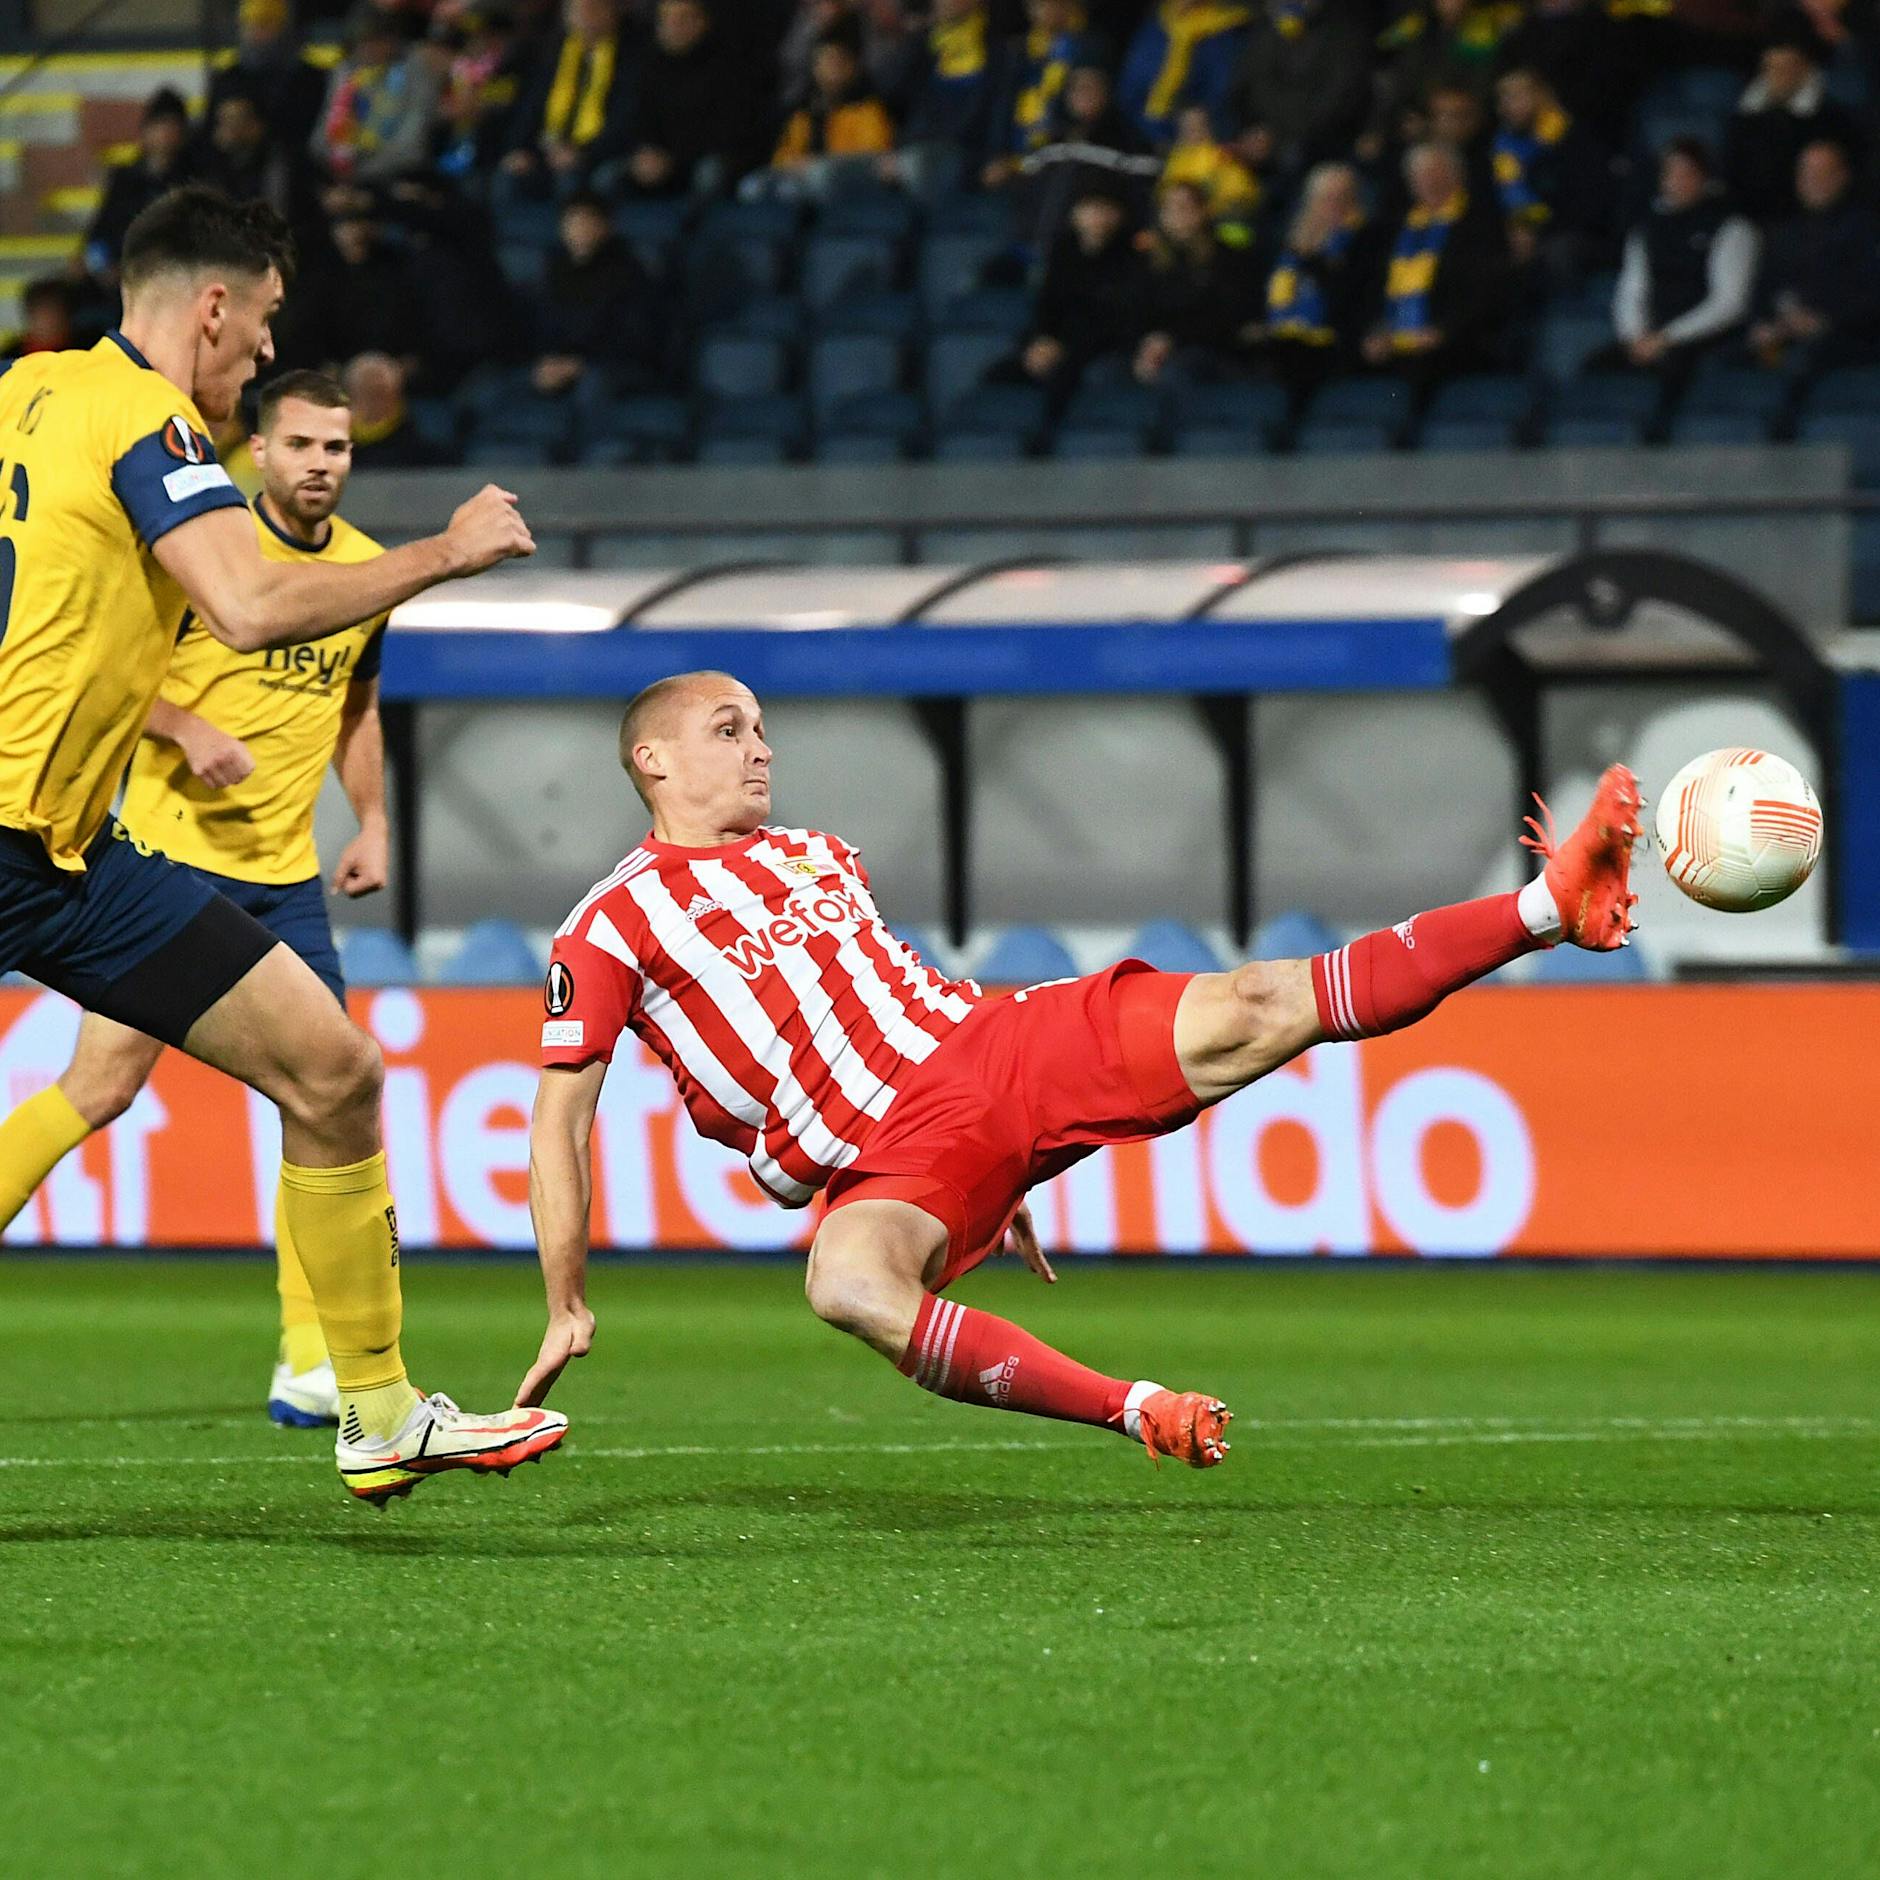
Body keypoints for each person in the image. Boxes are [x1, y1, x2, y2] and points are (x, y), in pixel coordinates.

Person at [520, 672, 1642, 1466]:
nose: (761, 747)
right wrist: (566, 1297)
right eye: (729, 729)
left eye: (762, 728)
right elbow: (558, 1120)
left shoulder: (821, 855)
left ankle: (1549, 903)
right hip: (886, 1158)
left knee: (1260, 998)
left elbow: (883, 991)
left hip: (996, 1049)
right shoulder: (608, 925)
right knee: (845, 1282)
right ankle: (1137, 1407)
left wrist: (1003, 1155)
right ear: (651, 758)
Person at [0, 184, 559, 1500]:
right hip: (32, 831)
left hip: (77, 859)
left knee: (335, 1071)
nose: (260, 353)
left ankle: (373, 1407)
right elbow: (248, 608)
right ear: (211, 305)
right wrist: (444, 552)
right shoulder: (149, 420)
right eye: (259, 326)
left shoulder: (28, 390)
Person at [0, 370, 389, 1428]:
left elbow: (357, 704)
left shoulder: (359, 574)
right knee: (99, 1089)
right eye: (302, 443)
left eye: (339, 448)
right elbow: (116, 661)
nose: (321, 464)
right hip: (167, 860)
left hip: (287, 879)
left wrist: (376, 819)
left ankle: (314, 1363)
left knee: (328, 1091)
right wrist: (185, 727)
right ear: (257, 452)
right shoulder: (198, 539)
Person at [1603, 137, 1758, 387]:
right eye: (1670, 173)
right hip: (1649, 338)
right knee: (1598, 370)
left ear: (1705, 178)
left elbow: (1730, 302)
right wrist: (1634, 336)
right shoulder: (1646, 229)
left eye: (1686, 174)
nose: (1676, 182)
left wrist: (1668, 338)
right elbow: (1631, 288)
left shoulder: (1732, 228)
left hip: (1703, 341)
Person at [1362, 139, 1508, 381]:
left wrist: (1442, 332)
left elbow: (1484, 293)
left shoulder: (1477, 226)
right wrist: (1374, 332)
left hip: (1451, 346)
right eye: (1418, 176)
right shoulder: (1396, 229)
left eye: (1434, 174)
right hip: (1392, 346)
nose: (1426, 182)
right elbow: (1374, 287)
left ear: (1455, 176)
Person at [1246, 159, 1382, 403]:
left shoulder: (1365, 240)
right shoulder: (1286, 244)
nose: (1335, 207)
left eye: (1343, 198)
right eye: (1326, 199)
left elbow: (1350, 297)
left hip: (1332, 343)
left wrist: (1315, 261)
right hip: (1282, 340)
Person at [1748, 139, 1880, 371]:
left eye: (1822, 173)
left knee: (1799, 361)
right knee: (1720, 360)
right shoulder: (1785, 233)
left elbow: (1870, 294)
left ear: (1842, 176)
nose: (1813, 181)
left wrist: (1824, 320)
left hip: (1845, 335)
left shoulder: (1865, 229)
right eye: (1806, 173)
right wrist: (1766, 323)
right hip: (1785, 332)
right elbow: (1763, 289)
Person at [530, 191, 662, 395]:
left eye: (587, 221)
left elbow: (636, 340)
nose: (580, 229)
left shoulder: (629, 273)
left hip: (614, 366)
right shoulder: (553, 270)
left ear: (606, 226)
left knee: (592, 388)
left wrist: (578, 365)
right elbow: (544, 327)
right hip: (561, 364)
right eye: (572, 221)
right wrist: (551, 362)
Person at [1133, 178, 1263, 384]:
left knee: (1177, 373)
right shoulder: (1146, 260)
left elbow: (1228, 318)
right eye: (1170, 208)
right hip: (1154, 348)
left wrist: (1171, 339)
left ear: (1203, 211)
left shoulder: (1228, 258)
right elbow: (1135, 311)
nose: (1178, 215)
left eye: (1186, 207)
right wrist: (1148, 343)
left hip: (1213, 352)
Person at [499, 0, 636, 196]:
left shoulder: (629, 57)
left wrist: (583, 153)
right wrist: (519, 148)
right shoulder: (553, 52)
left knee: (572, 180)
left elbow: (624, 118)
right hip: (547, 148)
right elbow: (531, 106)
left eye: (593, 10)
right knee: (507, 177)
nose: (584, 18)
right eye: (576, 11)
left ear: (611, 13)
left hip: (596, 154)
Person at [1725, 35, 1863, 222]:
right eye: (1772, 68)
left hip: (1816, 220)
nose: (1779, 76)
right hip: (1754, 219)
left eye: (1787, 67)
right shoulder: (1743, 119)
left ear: (1804, 69)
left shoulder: (1831, 119)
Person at [308, 4, 441, 186]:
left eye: (375, 40)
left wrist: (362, 174)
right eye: (362, 41)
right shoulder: (346, 71)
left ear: (392, 40)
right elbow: (321, 136)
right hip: (340, 172)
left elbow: (412, 145)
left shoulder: (414, 72)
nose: (367, 48)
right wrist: (336, 164)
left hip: (393, 175)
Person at [85, 89, 197, 286]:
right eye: (160, 125)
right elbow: (98, 235)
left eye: (173, 126)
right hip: (123, 279)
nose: (166, 134)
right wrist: (103, 268)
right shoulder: (124, 180)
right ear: (146, 130)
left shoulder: (194, 178)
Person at [1116, 0, 1254, 147]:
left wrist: (1185, 125)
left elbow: (1222, 94)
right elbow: (1129, 90)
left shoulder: (1224, 35)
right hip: (1138, 134)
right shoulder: (1155, 26)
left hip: (1197, 142)